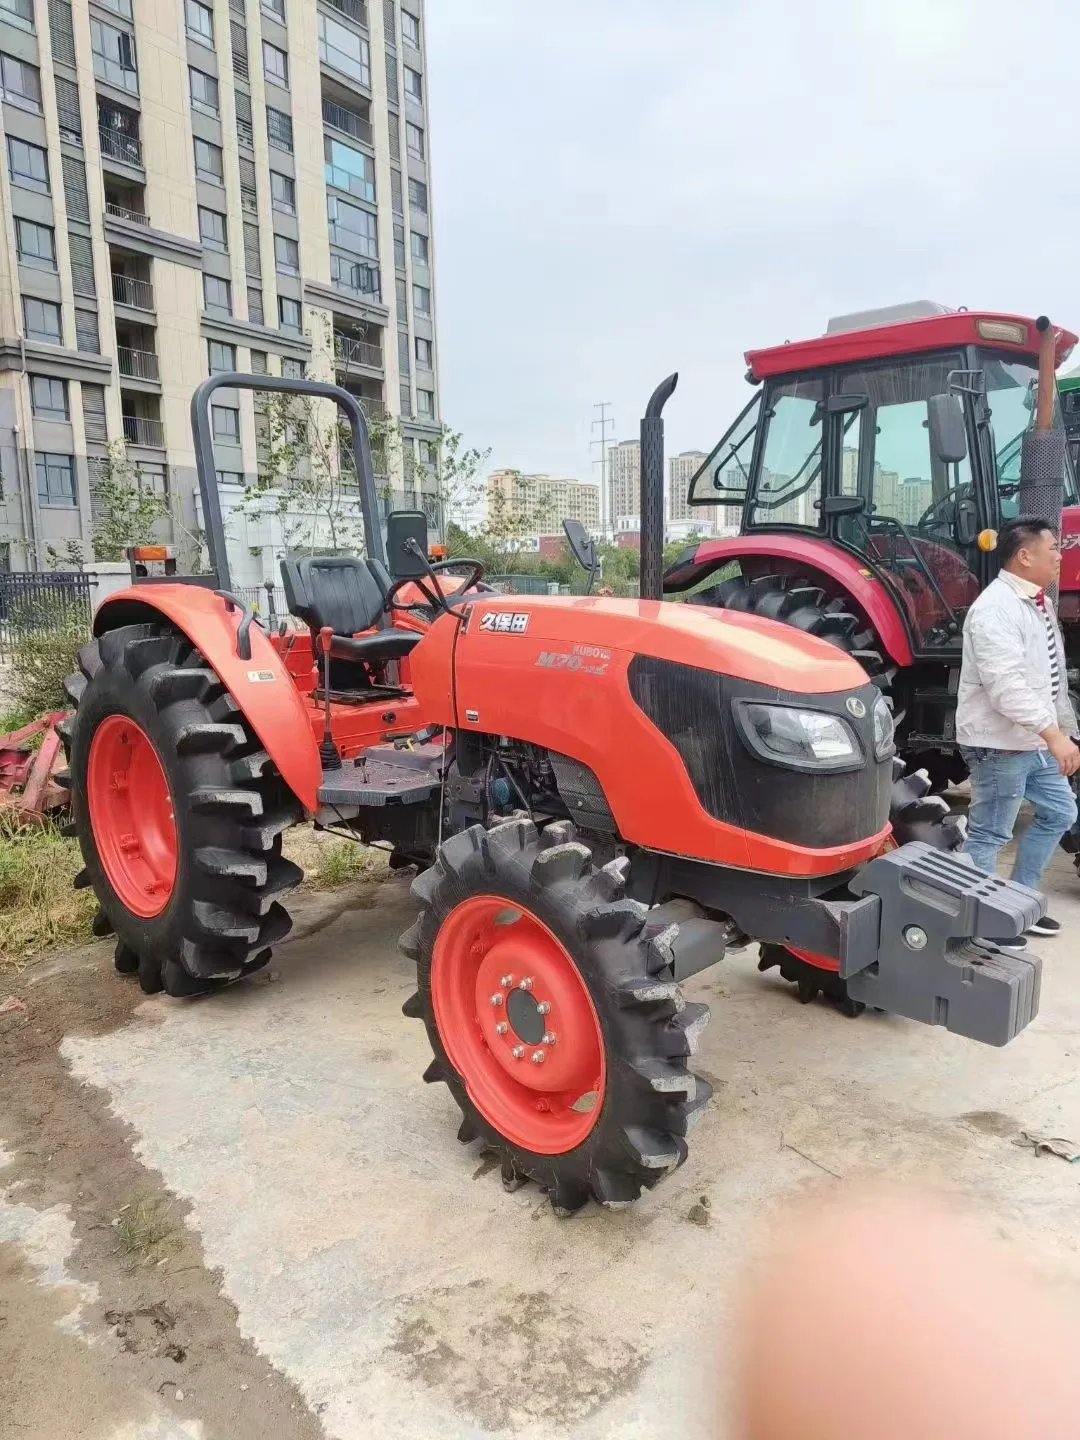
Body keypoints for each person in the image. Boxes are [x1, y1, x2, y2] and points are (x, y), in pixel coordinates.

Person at [955, 515, 1079, 938]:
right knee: (989, 835)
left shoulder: (1034, 602)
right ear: (1025, 556)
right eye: (1053, 550)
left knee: (1062, 810)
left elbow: (1051, 676)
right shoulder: (994, 609)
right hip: (1000, 744)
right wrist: (1051, 734)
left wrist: (1065, 730)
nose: (1060, 557)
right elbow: (1005, 687)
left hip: (1032, 740)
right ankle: (982, 926)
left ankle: (1018, 902)